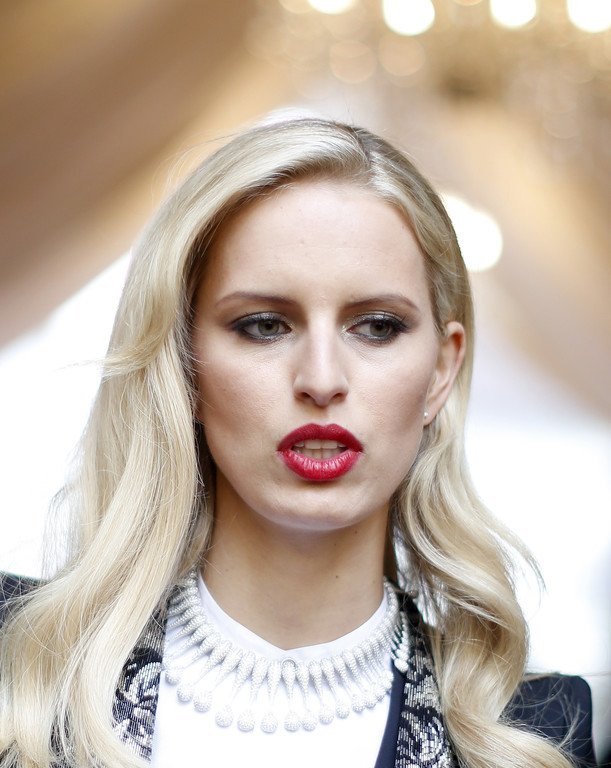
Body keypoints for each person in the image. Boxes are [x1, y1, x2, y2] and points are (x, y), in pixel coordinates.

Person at [0, 117, 596, 768]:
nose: (321, 379)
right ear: (183, 362)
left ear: (440, 371)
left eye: (376, 326)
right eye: (264, 325)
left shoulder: (531, 729)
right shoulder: (19, 665)